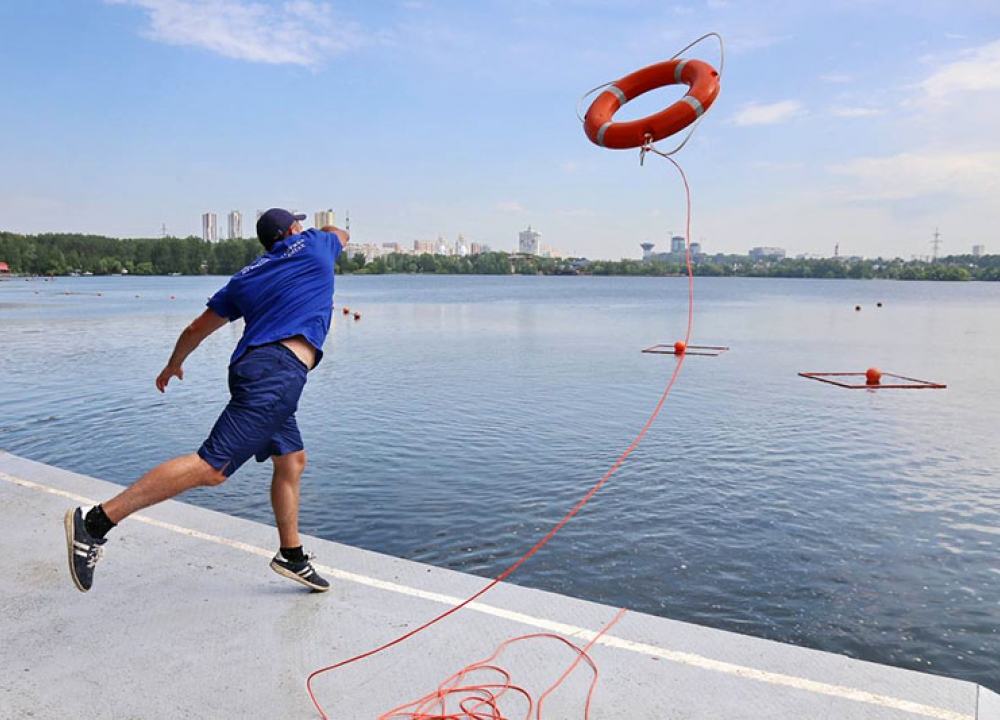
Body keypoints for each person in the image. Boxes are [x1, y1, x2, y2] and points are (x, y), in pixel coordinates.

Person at [65, 208, 349, 593]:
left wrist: (172, 365)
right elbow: (341, 232)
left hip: (253, 367)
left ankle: (291, 555)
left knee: (292, 460)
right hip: (278, 374)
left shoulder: (246, 277)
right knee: (212, 467)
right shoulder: (318, 245)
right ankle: (96, 521)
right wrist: (313, 230)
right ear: (295, 229)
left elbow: (196, 328)